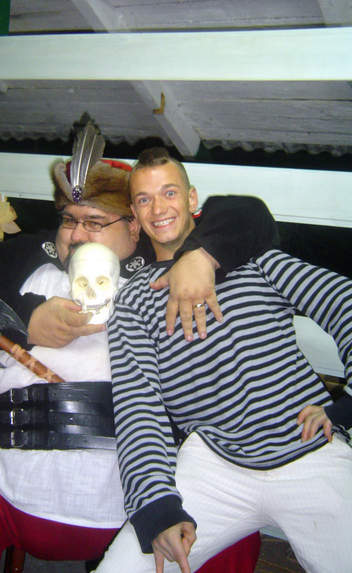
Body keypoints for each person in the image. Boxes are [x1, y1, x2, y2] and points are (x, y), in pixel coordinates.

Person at [0, 133, 278, 573]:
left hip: (141, 481)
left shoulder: (165, 263)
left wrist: (202, 258)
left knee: (228, 540)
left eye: (94, 221)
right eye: (69, 219)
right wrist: (24, 321)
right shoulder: (32, 254)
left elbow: (250, 216)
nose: (76, 233)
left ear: (134, 226)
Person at [94, 147, 352, 573]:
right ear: (135, 216)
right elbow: (138, 403)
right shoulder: (133, 300)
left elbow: (344, 303)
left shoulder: (251, 258)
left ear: (192, 199)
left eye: (169, 192)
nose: (159, 208)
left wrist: (347, 407)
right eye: (144, 199)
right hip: (212, 463)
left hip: (308, 449)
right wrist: (155, 505)